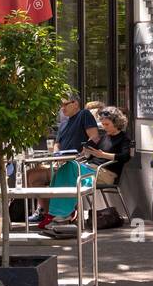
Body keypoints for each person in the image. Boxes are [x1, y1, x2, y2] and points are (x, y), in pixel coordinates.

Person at [27, 95, 100, 225]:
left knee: (65, 169)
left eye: (66, 104)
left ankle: (60, 213)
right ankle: (48, 212)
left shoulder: (84, 114)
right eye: (61, 105)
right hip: (60, 162)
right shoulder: (64, 122)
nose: (62, 108)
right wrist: (56, 155)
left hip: (78, 164)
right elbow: (57, 143)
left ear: (76, 103)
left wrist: (82, 154)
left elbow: (94, 137)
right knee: (32, 175)